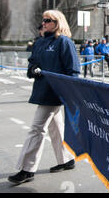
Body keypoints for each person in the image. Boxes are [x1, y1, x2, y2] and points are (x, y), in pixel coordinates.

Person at [8, 10, 80, 185]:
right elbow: (33, 62)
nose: (44, 23)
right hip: (42, 90)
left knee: (36, 129)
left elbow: (73, 70)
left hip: (55, 93)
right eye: (43, 20)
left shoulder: (63, 41)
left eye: (48, 20)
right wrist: (33, 69)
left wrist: (70, 95)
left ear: (57, 22)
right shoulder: (40, 42)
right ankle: (66, 159)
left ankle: (27, 169)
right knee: (56, 128)